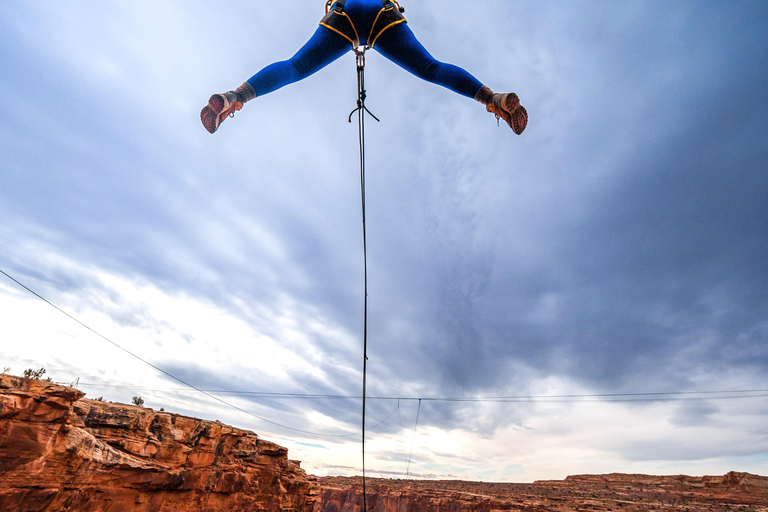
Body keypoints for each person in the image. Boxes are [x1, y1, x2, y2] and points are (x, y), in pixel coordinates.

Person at [201, 0, 527, 135]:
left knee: (297, 66)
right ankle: (493, 99)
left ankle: (234, 96)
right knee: (430, 67)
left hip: (344, 12)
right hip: (383, 13)